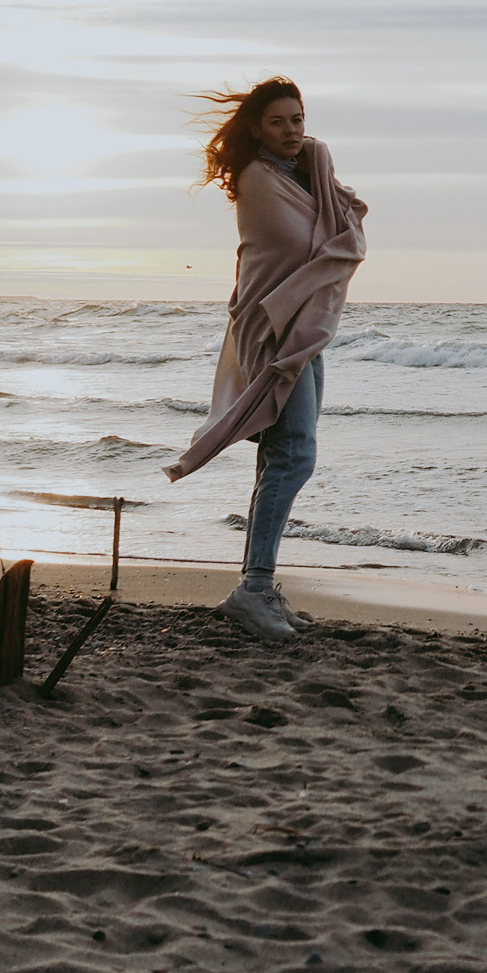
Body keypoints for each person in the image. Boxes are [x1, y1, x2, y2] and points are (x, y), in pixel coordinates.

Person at [162, 76, 366, 640]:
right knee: (293, 454)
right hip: (273, 326)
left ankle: (256, 587)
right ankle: (253, 589)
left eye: (298, 120)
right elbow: (309, 244)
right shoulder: (257, 179)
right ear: (256, 128)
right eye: (278, 122)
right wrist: (330, 207)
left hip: (304, 327)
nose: (292, 132)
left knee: (281, 454)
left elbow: (343, 222)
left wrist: (321, 177)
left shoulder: (307, 169)